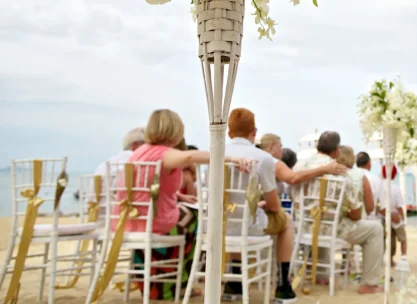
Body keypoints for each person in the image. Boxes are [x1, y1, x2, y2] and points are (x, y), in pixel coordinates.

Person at [118, 109, 251, 300]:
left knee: (188, 216)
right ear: (176, 130)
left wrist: (179, 196)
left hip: (133, 219)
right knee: (195, 220)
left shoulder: (140, 152)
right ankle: (180, 283)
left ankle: (160, 282)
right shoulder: (163, 153)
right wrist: (229, 158)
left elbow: (146, 187)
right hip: (155, 221)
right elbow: (188, 158)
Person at [291, 131, 384, 294]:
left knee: (321, 219)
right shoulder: (342, 173)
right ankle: (369, 284)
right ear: (336, 151)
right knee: (375, 229)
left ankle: (321, 275)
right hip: (333, 230)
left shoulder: (299, 167)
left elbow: (294, 196)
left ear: (316, 147)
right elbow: (354, 212)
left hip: (304, 227)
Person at [223, 110, 297, 303]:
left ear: (229, 133)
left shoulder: (215, 152)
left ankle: (234, 283)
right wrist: (263, 204)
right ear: (254, 132)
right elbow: (273, 205)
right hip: (248, 227)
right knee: (286, 221)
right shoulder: (262, 158)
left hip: (217, 226)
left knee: (237, 218)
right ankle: (283, 285)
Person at [259, 133, 346, 197]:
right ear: (271, 147)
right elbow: (293, 178)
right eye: (280, 146)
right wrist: (324, 169)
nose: (281, 150)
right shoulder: (272, 162)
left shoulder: (259, 159)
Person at [379, 164, 408, 265]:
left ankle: (390, 259)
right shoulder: (396, 188)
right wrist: (403, 219)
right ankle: (404, 257)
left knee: (389, 240)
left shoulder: (380, 185)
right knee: (402, 238)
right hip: (395, 216)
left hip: (383, 217)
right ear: (395, 174)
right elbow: (400, 206)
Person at [356, 151, 382, 220]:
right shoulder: (376, 179)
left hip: (355, 218)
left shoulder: (351, 176)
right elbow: (381, 202)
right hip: (370, 218)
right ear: (369, 163)